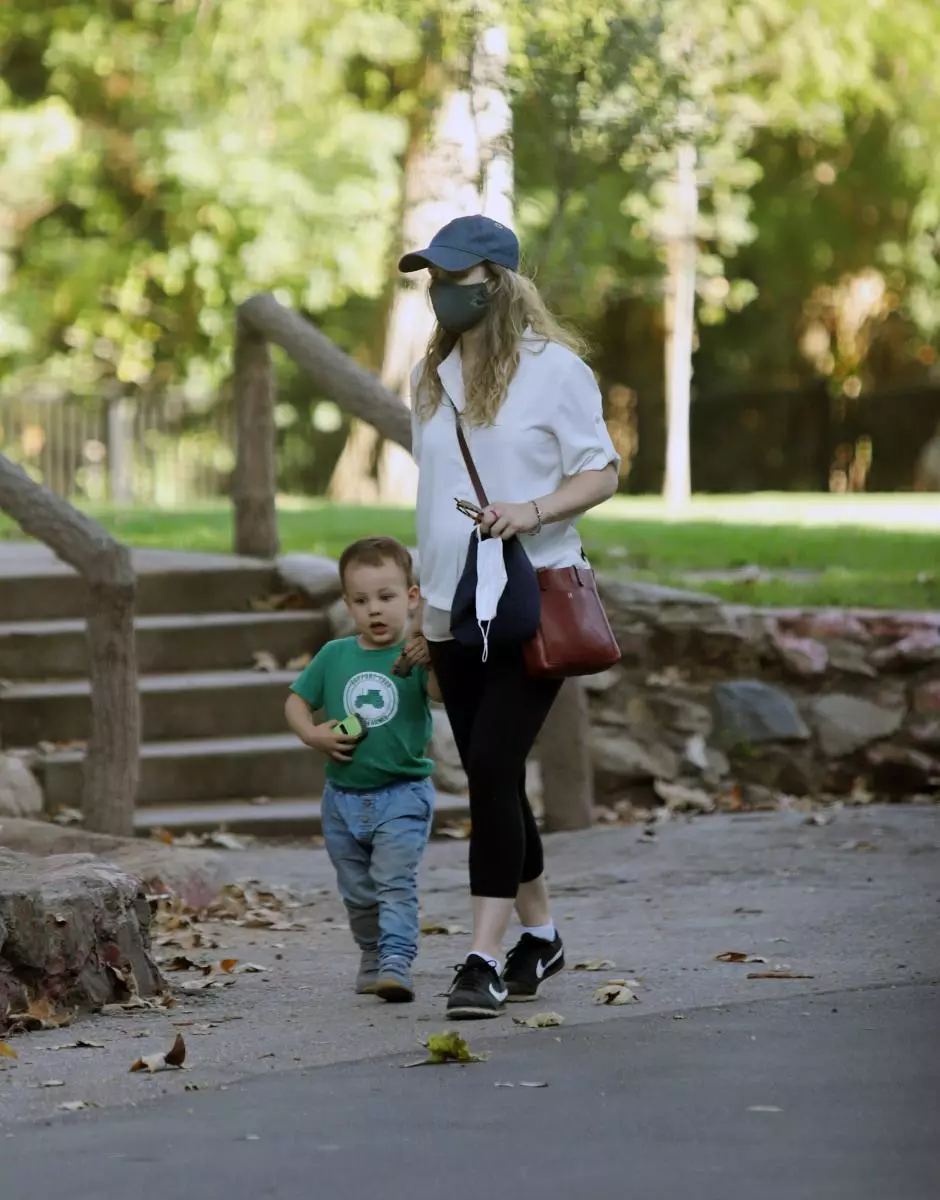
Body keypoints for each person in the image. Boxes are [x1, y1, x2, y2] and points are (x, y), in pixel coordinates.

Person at [400, 214, 620, 1019]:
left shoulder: (557, 371)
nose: (439, 294)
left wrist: (532, 509)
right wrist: (424, 608)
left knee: (491, 764)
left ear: (497, 280)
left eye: (453, 279)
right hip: (455, 603)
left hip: (530, 598)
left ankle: (481, 957)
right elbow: (428, 499)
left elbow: (601, 473)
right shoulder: (432, 378)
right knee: (494, 775)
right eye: (431, 278)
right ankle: (542, 936)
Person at [285, 536, 440, 1004]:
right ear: (348, 603)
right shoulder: (335, 655)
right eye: (361, 600)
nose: (375, 610)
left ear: (412, 597)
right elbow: (295, 701)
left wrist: (435, 654)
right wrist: (312, 734)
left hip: (403, 793)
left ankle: (396, 960)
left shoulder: (416, 657)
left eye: (387, 597)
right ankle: (371, 952)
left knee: (394, 882)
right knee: (357, 892)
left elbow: (441, 694)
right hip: (342, 800)